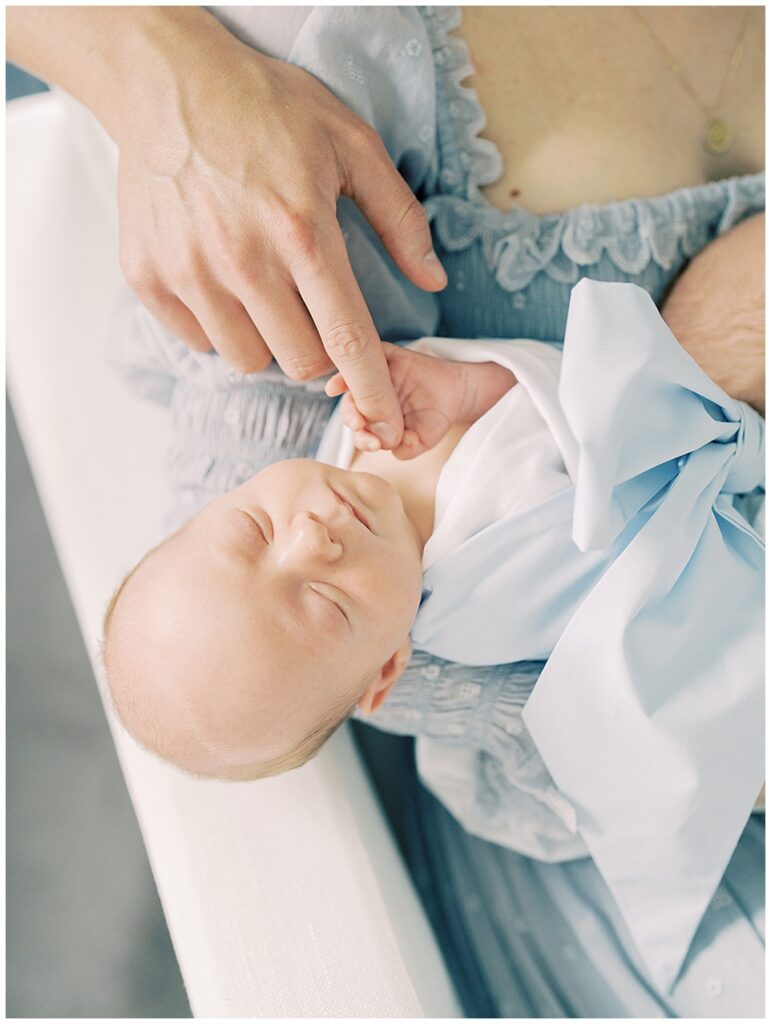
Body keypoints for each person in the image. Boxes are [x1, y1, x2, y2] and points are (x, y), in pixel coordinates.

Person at [11, 4, 764, 1016]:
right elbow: (603, 628)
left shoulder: (347, 406)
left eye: (251, 532)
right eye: (320, 605)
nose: (311, 541)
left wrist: (480, 388)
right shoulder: (459, 624)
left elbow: (561, 412)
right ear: (386, 670)